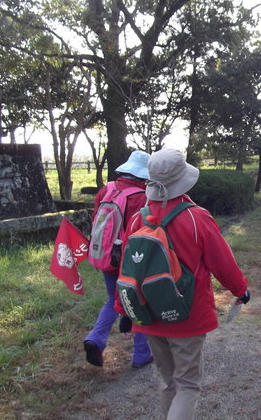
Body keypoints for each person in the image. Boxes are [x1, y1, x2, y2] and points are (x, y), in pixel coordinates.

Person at [117, 148, 250, 420]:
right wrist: (240, 289)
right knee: (188, 383)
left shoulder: (136, 219)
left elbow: (127, 269)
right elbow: (222, 262)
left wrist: (124, 310)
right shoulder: (196, 217)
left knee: (167, 380)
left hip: (149, 313)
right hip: (187, 313)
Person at [84, 150, 153, 369]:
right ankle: (142, 353)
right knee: (140, 300)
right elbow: (146, 232)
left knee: (112, 299)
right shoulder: (141, 197)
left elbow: (95, 220)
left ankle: (96, 338)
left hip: (105, 256)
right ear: (144, 176)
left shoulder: (107, 190)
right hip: (131, 260)